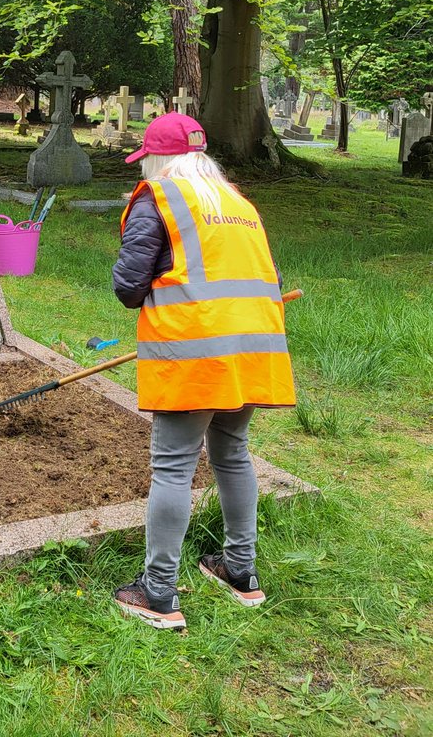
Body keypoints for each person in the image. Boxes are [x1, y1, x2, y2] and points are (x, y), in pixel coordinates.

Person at [111, 112, 296, 630]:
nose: (143, 166)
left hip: (194, 354)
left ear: (157, 157)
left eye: (145, 158)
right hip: (250, 349)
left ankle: (158, 592)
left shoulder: (159, 196)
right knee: (232, 453)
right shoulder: (237, 203)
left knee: (173, 466)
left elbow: (128, 288)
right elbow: (267, 277)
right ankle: (241, 571)